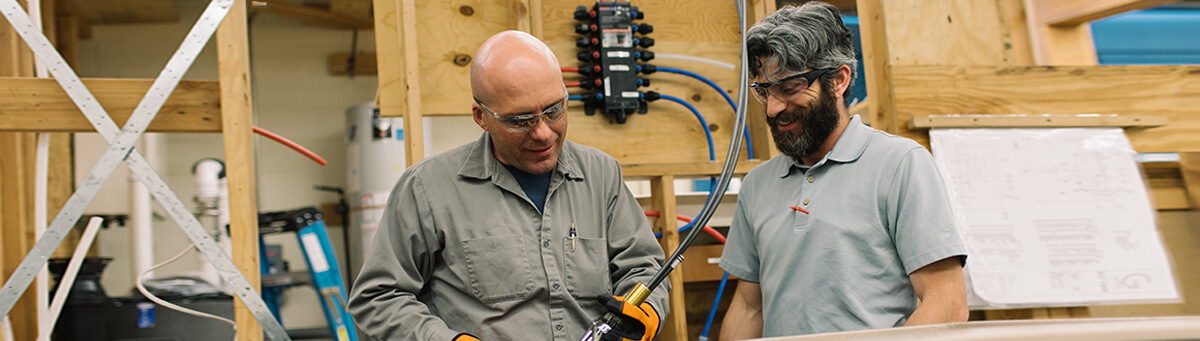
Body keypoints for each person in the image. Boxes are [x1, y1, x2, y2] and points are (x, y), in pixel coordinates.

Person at [348, 30, 669, 341]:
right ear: (481, 116)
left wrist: (648, 309)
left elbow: (643, 266)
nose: (543, 132)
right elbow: (378, 297)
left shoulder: (601, 174)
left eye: (553, 110)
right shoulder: (427, 188)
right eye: (521, 120)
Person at [718, 2, 969, 339]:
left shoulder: (899, 164)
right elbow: (750, 308)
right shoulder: (756, 185)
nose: (774, 108)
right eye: (764, 91)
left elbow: (947, 302)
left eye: (790, 88)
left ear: (838, 80)